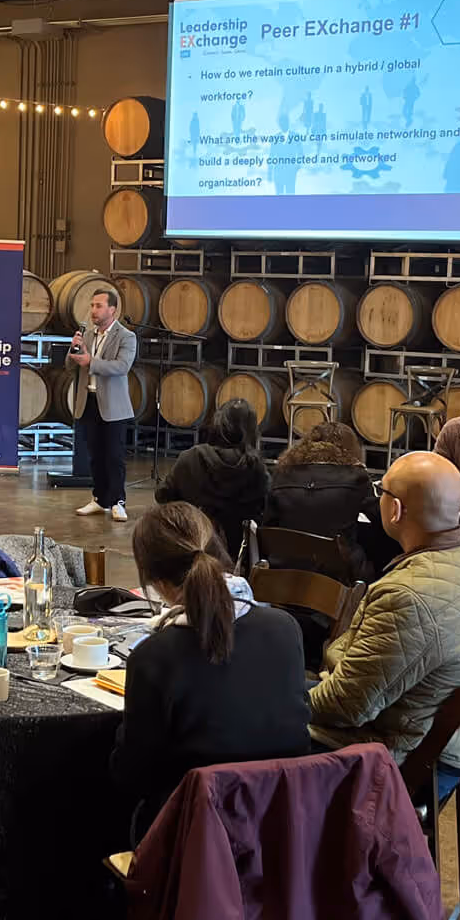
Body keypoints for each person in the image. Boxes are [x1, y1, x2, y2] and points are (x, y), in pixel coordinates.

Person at [111, 503, 309, 831]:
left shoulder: (154, 656)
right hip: (282, 830)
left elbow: (132, 776)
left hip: (193, 839)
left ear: (156, 582)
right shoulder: (285, 628)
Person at [309, 451, 460, 769]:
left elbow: (345, 706)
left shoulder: (406, 596)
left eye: (381, 491)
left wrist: (289, 702)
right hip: (448, 737)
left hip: (394, 754)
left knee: (246, 728)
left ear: (396, 509)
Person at [264, 420, 390, 580]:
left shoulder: (282, 474)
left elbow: (269, 527)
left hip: (284, 572)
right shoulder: (356, 478)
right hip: (339, 575)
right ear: (351, 448)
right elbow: (381, 518)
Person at [154, 397, 268, 558]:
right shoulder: (256, 468)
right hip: (239, 558)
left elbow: (162, 495)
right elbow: (265, 513)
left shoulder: (190, 457)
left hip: (193, 552)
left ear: (218, 423)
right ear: (251, 430)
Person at [69, 286, 137, 523]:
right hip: (87, 400)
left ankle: (118, 501)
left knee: (114, 455)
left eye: (98, 306)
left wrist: (90, 361)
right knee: (95, 454)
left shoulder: (126, 337)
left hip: (113, 406)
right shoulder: (87, 334)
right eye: (92, 305)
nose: (93, 310)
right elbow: (72, 368)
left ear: (113, 310)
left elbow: (121, 367)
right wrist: (73, 351)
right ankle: (100, 499)